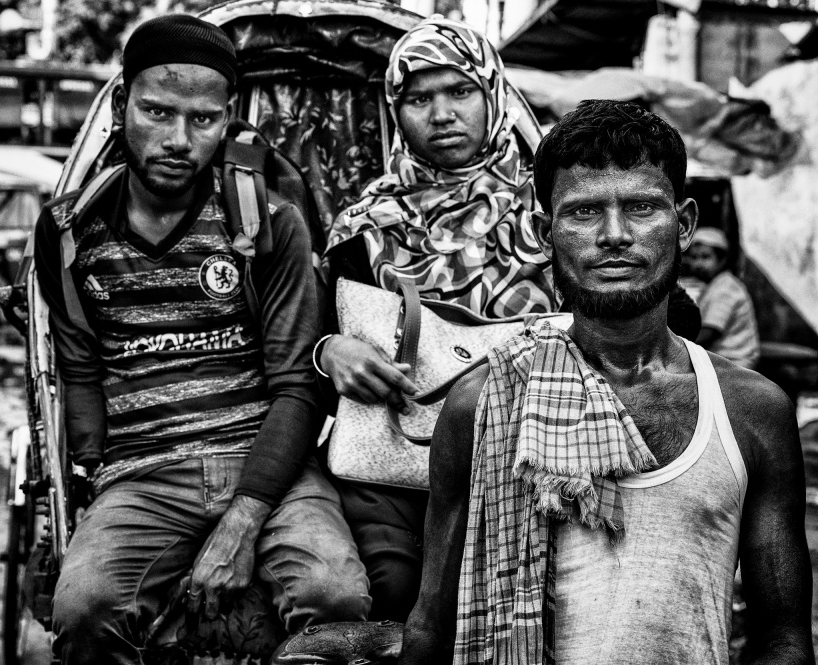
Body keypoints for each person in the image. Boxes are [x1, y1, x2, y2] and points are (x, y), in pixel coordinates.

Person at [400, 100, 813, 664]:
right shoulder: (483, 406)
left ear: (684, 223)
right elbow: (431, 627)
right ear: (546, 232)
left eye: (641, 207)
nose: (614, 235)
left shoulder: (751, 412)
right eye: (584, 212)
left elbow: (784, 641)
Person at [32, 15, 370, 664]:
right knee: (82, 612)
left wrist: (242, 519)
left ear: (229, 116)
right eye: (157, 111)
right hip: (141, 471)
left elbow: (299, 383)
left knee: (333, 594)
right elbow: (77, 364)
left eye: (203, 119)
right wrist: (91, 472)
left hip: (266, 461)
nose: (178, 139)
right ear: (122, 102)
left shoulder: (268, 220)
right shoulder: (70, 230)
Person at [313, 16, 557, 622]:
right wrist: (332, 353)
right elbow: (307, 339)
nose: (442, 113)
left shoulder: (556, 213)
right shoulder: (364, 229)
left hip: (530, 469)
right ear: (395, 111)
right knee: (397, 601)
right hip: (392, 475)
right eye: (419, 98)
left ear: (493, 93)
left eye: (460, 91)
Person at [684, 225, 761, 368]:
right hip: (721, 361)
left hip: (733, 363)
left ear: (722, 260)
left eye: (706, 257)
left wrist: (676, 347)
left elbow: (708, 333)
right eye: (694, 257)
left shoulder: (725, 289)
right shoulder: (715, 285)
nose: (698, 264)